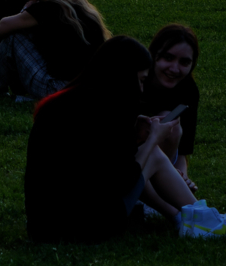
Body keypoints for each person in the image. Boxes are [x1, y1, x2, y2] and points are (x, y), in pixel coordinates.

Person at [26, 35, 194, 241]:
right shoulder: (107, 113)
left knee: (150, 155)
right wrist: (152, 140)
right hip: (85, 228)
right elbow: (123, 180)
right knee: (154, 156)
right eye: (140, 80)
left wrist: (133, 134)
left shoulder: (67, 103)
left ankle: (189, 217)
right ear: (122, 76)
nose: (141, 89)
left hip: (43, 225)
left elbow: (97, 168)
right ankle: (203, 220)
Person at [141, 24, 201, 202]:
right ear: (154, 56)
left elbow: (183, 152)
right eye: (168, 58)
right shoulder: (137, 83)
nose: (174, 69)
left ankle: (165, 186)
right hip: (133, 157)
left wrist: (182, 177)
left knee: (173, 125)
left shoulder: (187, 90)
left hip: (163, 157)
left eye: (184, 62)